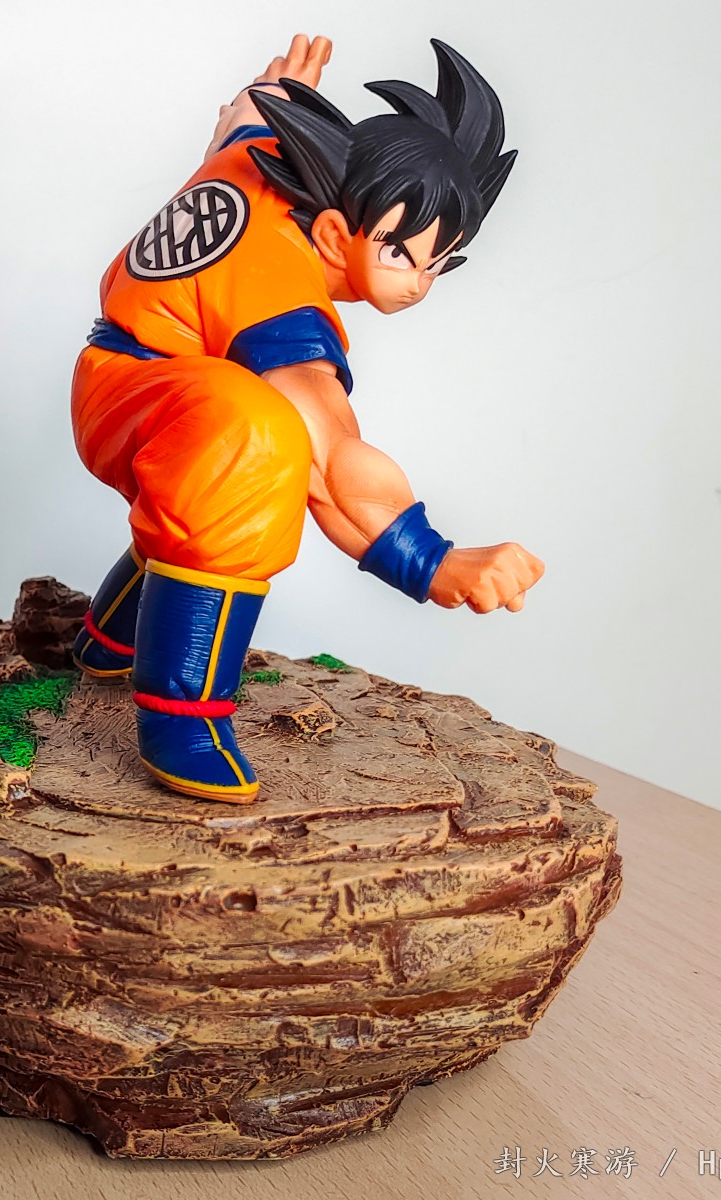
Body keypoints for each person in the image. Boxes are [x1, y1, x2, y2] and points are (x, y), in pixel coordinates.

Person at [69, 35, 544, 802]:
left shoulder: (263, 159)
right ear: (330, 233)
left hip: (140, 379)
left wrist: (273, 95)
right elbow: (329, 452)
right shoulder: (278, 284)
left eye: (439, 261)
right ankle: (181, 712)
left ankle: (112, 635)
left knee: (230, 435)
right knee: (258, 439)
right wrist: (432, 561)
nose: (419, 283)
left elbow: (243, 125)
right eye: (401, 254)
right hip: (132, 394)